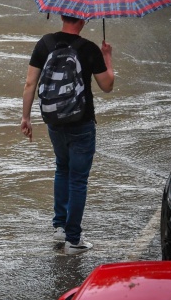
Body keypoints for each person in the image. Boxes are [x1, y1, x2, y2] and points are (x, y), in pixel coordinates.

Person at [21, 15, 114, 255]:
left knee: (62, 168)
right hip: (81, 123)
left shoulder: (45, 43)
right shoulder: (89, 48)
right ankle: (74, 239)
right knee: (78, 179)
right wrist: (107, 57)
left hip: (54, 121)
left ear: (62, 15)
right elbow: (107, 85)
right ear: (83, 21)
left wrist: (26, 117)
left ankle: (60, 227)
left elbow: (30, 84)